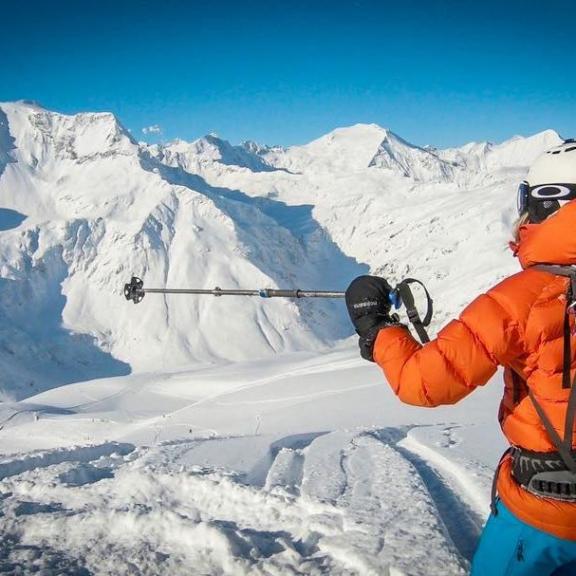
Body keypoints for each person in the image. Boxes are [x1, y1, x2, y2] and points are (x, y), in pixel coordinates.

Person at [345, 140, 576, 576]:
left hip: (546, 516)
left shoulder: (521, 299)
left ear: (550, 203)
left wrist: (376, 328)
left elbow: (425, 382)